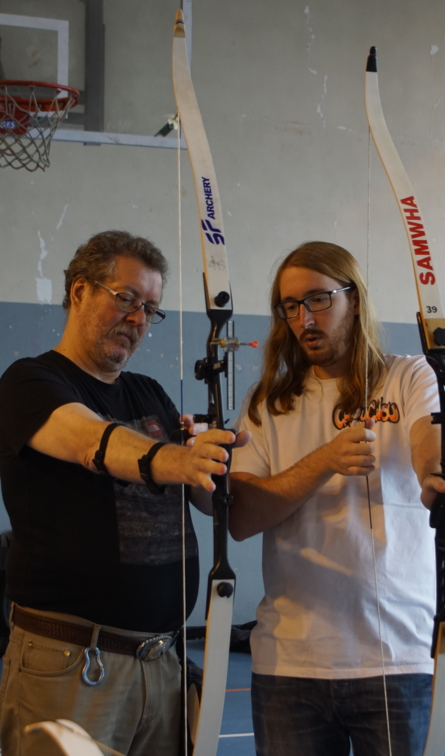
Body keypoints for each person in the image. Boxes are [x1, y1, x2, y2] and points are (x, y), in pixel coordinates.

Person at [229, 240, 445, 756]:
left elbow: (430, 446)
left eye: (318, 299)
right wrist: (324, 461)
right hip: (290, 662)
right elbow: (241, 518)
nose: (304, 319)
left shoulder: (410, 376)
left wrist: (442, 487)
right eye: (290, 306)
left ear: (354, 299)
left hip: (397, 657)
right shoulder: (267, 403)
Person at [0, 230, 249, 756]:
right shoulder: (29, 382)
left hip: (160, 664)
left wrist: (219, 458)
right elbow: (89, 439)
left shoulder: (148, 392)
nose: (138, 319)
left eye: (150, 309)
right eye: (126, 298)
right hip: (70, 663)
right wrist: (177, 459)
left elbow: (206, 495)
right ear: (80, 291)